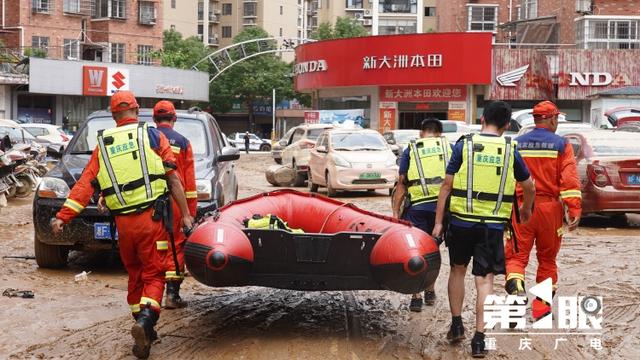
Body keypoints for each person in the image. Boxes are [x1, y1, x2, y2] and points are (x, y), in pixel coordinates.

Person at [51, 91, 194, 359]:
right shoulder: (151, 136)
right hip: (152, 221)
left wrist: (63, 216)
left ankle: (145, 328)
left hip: (123, 226)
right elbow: (173, 179)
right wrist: (185, 215)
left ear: (114, 115)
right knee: (154, 274)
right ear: (137, 111)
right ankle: (146, 321)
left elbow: (85, 185)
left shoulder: (103, 144)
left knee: (135, 275)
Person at [432, 101, 536, 358]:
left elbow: (446, 187)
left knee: (457, 270)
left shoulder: (464, 145)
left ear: (482, 120)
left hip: (460, 222)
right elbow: (529, 186)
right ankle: (479, 339)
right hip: (492, 226)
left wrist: (437, 222)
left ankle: (457, 326)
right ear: (506, 125)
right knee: (485, 280)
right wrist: (525, 210)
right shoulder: (511, 148)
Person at [505, 101, 582, 320]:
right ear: (551, 119)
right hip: (550, 210)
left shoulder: (516, 143)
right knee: (547, 259)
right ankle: (541, 310)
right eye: (557, 118)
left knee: (516, 257)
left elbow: (507, 180)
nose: (557, 122)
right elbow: (569, 179)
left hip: (521, 208)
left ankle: (516, 293)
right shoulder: (561, 144)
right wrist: (574, 209)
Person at [392, 118, 450, 312]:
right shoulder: (448, 147)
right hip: (442, 210)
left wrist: (395, 214)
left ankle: (416, 296)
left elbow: (402, 183)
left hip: (417, 208)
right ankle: (430, 290)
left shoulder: (412, 149)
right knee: (433, 250)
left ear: (421, 132)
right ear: (440, 134)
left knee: (416, 251)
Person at [152, 100, 198, 309]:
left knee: (154, 246)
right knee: (175, 246)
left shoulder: (147, 139)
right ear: (174, 118)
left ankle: (152, 295)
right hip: (175, 202)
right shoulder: (183, 142)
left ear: (154, 119)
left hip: (149, 202)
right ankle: (172, 295)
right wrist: (190, 213)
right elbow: (188, 182)